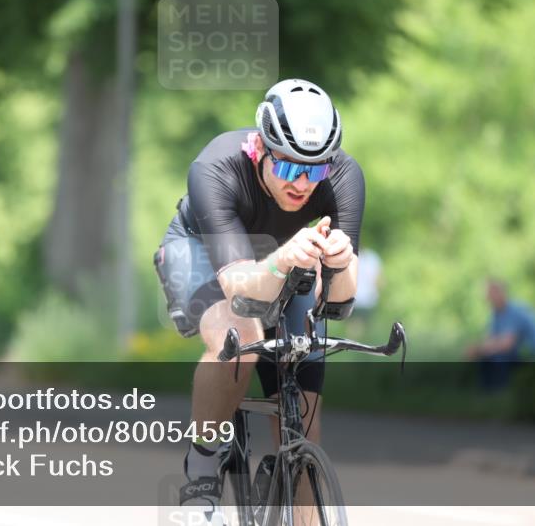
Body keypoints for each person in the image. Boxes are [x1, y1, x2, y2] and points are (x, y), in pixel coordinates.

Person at [154, 79, 363, 520]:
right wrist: (282, 260)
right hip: (204, 253)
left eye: (316, 169)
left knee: (304, 399)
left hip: (285, 257)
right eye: (289, 169)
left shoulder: (344, 176)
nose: (303, 183)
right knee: (240, 336)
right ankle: (204, 469)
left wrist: (342, 265)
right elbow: (240, 288)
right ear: (260, 150)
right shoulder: (216, 168)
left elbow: (341, 303)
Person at [466, 279, 535, 390]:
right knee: (487, 356)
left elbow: (507, 345)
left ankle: (499, 391)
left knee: (499, 356)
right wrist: (477, 349)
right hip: (520, 355)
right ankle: (487, 392)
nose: (487, 298)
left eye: (490, 294)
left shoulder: (515, 310)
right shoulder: (496, 314)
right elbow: (491, 340)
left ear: (500, 292)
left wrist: (479, 349)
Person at [351, 248, 383, 319]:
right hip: (367, 301)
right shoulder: (372, 257)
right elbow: (379, 281)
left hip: (354, 300)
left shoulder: (351, 257)